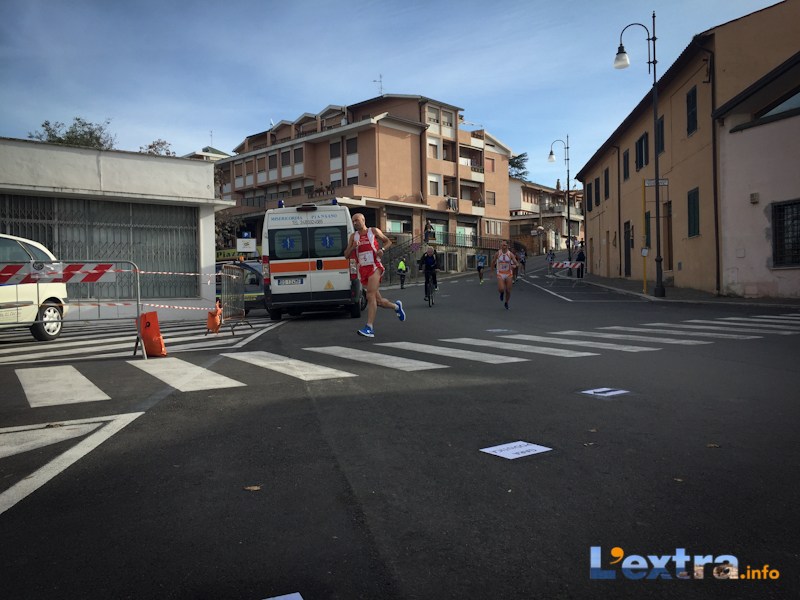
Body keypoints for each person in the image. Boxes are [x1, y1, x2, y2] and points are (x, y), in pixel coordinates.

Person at [343, 212, 406, 338]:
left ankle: (369, 327)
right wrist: (353, 247)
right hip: (363, 270)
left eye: (357, 220)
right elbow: (346, 255)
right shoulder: (353, 237)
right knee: (379, 302)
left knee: (370, 295)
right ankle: (396, 307)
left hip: (375, 267)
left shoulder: (373, 231)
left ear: (363, 220)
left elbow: (388, 241)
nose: (355, 223)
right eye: (353, 221)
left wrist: (382, 250)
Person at [491, 240, 519, 310]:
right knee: (501, 289)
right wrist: (492, 272)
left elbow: (516, 263)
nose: (503, 246)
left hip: (508, 273)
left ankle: (506, 302)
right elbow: (493, 262)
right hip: (500, 273)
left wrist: (515, 265)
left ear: (507, 246)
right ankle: (501, 293)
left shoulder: (510, 254)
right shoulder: (498, 253)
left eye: (504, 245)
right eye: (502, 245)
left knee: (508, 291)